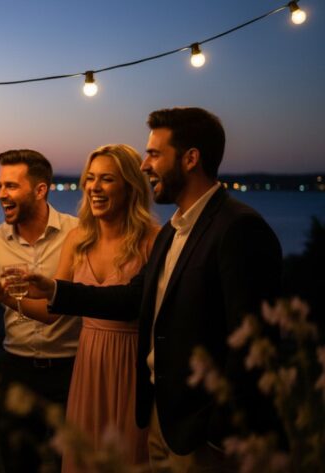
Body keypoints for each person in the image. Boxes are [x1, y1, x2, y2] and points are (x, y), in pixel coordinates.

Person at [27, 107, 282, 472]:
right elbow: (131, 298)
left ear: (191, 159)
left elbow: (254, 343)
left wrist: (217, 431)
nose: (145, 165)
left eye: (154, 154)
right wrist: (54, 290)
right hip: (159, 418)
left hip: (198, 430)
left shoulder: (238, 228)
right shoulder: (173, 232)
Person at [0, 149, 79, 472]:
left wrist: (4, 296)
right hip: (18, 370)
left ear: (40, 190)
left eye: (11, 186)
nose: (1, 195)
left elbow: (68, 304)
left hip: (73, 371)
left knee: (73, 463)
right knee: (18, 463)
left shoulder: (77, 234)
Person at [52, 144, 159, 471]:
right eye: (90, 178)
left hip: (133, 364)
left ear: (130, 186)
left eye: (107, 179)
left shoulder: (153, 240)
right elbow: (52, 306)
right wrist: (2, 295)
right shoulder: (76, 239)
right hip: (89, 363)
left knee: (129, 458)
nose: (94, 187)